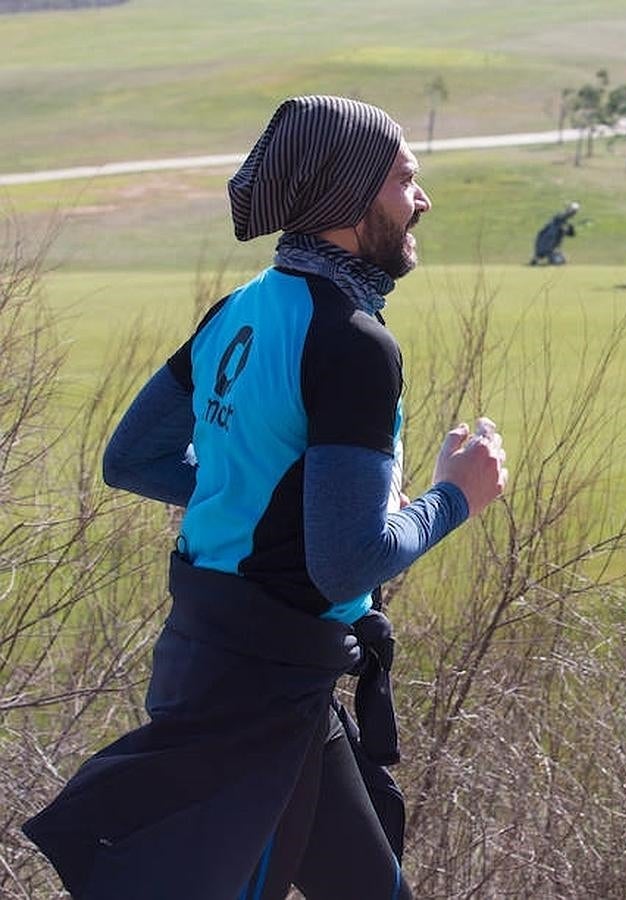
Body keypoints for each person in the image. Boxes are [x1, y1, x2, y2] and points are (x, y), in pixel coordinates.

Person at [22, 95, 508, 900]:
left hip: (229, 659)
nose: (421, 199)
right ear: (348, 197)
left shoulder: (240, 309)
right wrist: (453, 497)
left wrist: (260, 509)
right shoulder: (353, 345)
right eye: (402, 180)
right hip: (259, 689)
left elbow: (133, 459)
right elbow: (345, 559)